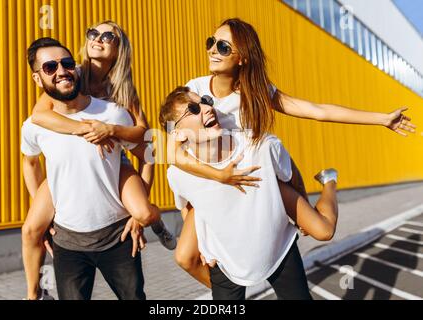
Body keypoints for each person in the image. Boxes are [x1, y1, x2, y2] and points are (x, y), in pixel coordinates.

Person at [167, 18, 417, 288]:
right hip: (215, 184)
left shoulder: (257, 93)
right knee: (186, 256)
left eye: (224, 47)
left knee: (321, 231)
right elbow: (172, 153)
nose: (213, 50)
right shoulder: (195, 91)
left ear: (243, 58)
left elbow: (318, 111)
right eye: (211, 42)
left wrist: (381, 119)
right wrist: (220, 177)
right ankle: (232, 286)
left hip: (257, 179)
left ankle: (329, 180)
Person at [21, 21, 175, 301]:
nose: (98, 38)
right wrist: (87, 128)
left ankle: (156, 222)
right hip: (71, 160)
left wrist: (110, 130)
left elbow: (145, 137)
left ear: (120, 50)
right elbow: (40, 116)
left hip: (116, 157)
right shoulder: (69, 71)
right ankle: (34, 294)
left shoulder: (122, 91)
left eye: (108, 36)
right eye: (93, 32)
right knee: (32, 228)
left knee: (142, 212)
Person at [160, 86, 339, 300]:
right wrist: (202, 248)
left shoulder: (260, 145)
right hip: (225, 259)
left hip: (277, 247)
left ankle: (329, 181)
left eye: (206, 101)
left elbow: (292, 176)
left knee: (324, 231)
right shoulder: (177, 175)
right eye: (193, 108)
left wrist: (304, 210)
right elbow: (188, 207)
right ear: (177, 133)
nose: (207, 108)